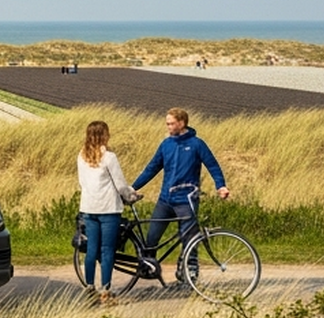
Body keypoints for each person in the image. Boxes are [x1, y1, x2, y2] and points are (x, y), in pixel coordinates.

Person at [130, 108, 229, 285]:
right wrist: (132, 187)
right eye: (167, 123)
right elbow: (151, 168)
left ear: (182, 123)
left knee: (189, 239)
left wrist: (220, 186)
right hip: (165, 200)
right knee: (151, 238)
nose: (168, 127)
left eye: (171, 123)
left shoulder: (197, 144)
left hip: (186, 200)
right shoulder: (166, 145)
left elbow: (212, 165)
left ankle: (189, 274)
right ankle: (148, 268)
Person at [77, 120, 139, 305]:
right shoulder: (109, 157)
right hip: (108, 208)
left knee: (91, 250)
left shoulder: (81, 155)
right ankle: (106, 289)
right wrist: (131, 195)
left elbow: (82, 182)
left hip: (88, 207)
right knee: (107, 250)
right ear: (105, 135)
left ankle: (89, 287)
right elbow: (120, 184)